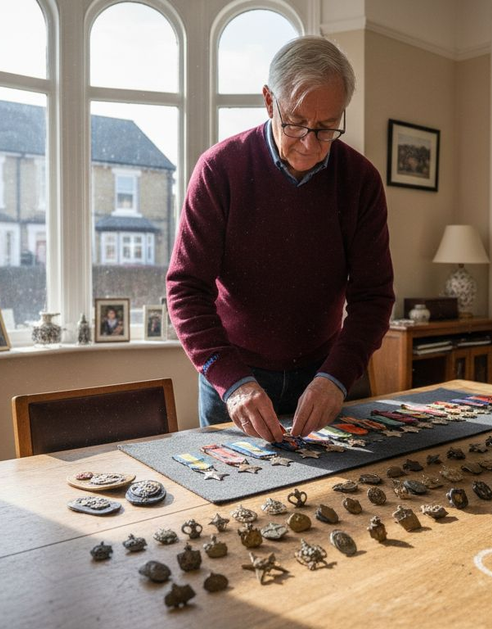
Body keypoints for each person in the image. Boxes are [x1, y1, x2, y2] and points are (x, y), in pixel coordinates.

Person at [166, 36, 394, 442]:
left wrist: (336, 377)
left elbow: (373, 298)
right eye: (296, 123)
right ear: (270, 102)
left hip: (326, 374)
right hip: (234, 377)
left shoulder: (361, 181)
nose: (310, 144)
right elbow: (185, 289)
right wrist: (232, 380)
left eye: (327, 129)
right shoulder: (219, 170)